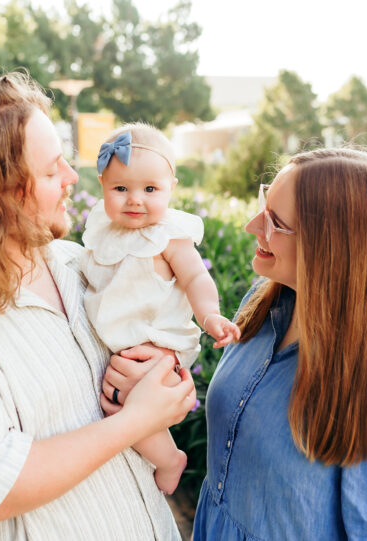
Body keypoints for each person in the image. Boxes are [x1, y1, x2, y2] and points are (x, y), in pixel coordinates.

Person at [0, 73, 196, 541]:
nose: (72, 179)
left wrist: (160, 366)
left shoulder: (78, 264)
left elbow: (158, 325)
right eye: (50, 171)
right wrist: (137, 421)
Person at [103, 148, 367, 539]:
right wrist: (159, 368)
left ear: (334, 244)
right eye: (264, 205)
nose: (252, 226)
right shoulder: (266, 304)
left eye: (276, 222)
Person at [81, 124, 240, 494]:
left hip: (157, 348)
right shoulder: (103, 232)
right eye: (121, 189)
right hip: (122, 351)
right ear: (103, 184)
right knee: (117, 406)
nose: (135, 200)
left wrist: (210, 315)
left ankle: (170, 459)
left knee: (122, 409)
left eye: (150, 189)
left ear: (171, 188)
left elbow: (196, 279)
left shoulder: (169, 235)